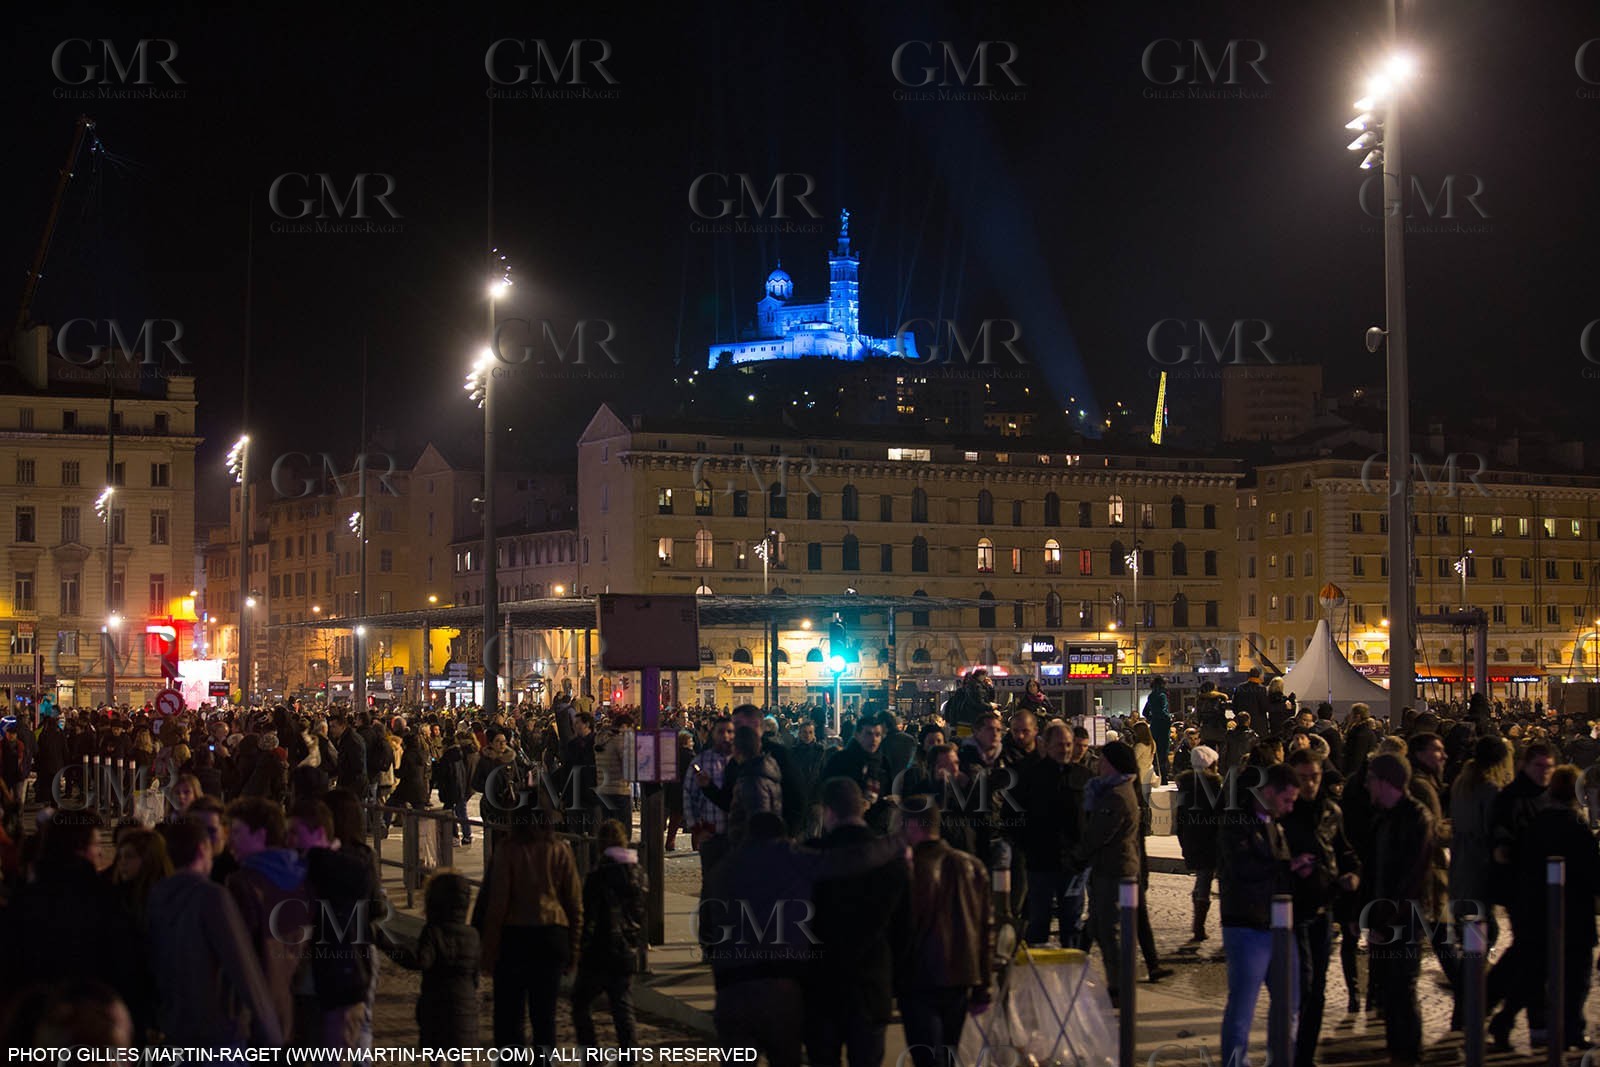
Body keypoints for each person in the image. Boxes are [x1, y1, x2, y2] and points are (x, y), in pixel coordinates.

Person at [146, 818, 283, 1048]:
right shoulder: (212, 896)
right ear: (202, 849)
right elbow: (241, 964)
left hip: (176, 1029)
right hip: (218, 1030)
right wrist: (271, 1033)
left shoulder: (158, 896)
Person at [804, 778, 910, 1067]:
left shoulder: (810, 856)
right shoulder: (890, 861)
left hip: (821, 986)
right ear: (861, 809)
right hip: (871, 986)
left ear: (828, 812)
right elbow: (903, 931)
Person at [477, 805, 583, 1054]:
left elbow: (497, 905)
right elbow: (575, 905)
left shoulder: (507, 850)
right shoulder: (561, 851)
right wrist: (574, 949)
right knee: (545, 1016)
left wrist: (489, 950)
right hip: (551, 936)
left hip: (515, 937)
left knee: (508, 1017)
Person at [1217, 762, 1301, 1067]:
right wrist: (1286, 867)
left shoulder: (1274, 824)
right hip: (1246, 924)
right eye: (1286, 800)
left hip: (1278, 924)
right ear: (1268, 792)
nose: (1289, 808)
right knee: (1243, 1006)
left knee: (1289, 1003)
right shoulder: (1236, 822)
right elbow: (1242, 869)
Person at [895, 804, 992, 1067]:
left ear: (912, 826)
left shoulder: (908, 869)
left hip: (919, 977)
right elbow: (984, 931)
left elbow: (900, 928)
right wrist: (983, 986)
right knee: (948, 1054)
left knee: (928, 1056)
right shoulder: (972, 866)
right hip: (960, 976)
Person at [1282, 750, 1359, 1067]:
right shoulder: (1284, 813)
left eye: (1315, 776)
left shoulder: (1331, 811)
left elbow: (1343, 850)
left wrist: (1351, 872)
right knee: (1302, 982)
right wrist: (1290, 866)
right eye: (1304, 777)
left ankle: (1305, 1055)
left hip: (1323, 907)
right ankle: (1289, 1049)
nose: (1311, 783)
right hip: (1292, 910)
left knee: (1317, 989)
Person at [1521, 765, 1600, 1050]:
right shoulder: (1577, 827)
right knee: (1576, 975)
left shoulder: (1537, 823)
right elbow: (1593, 875)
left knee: (1545, 972)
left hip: (1540, 910)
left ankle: (1542, 1026)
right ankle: (1571, 1028)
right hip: (1575, 914)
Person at [1365, 753, 1436, 1067]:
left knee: (1402, 988)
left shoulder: (1415, 817)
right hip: (1384, 917)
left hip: (1404, 919)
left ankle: (1409, 1055)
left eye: (1371, 779)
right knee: (1390, 990)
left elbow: (1412, 875)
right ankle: (1398, 1052)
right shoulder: (1383, 816)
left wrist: (1389, 918)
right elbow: (1374, 870)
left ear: (1384, 782)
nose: (1367, 785)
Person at [1487, 741, 1555, 1048]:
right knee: (1533, 955)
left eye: (1549, 767)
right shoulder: (1512, 798)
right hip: (1522, 889)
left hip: (1547, 888)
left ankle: (1503, 1014)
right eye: (1539, 766)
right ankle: (1528, 1019)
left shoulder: (1550, 797)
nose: (1544, 773)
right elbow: (1502, 841)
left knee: (1533, 957)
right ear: (1525, 765)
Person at [225, 797, 310, 1041]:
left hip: (254, 1015)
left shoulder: (244, 885)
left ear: (260, 835)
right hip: (292, 1014)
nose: (230, 839)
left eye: (237, 832)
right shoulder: (303, 877)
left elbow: (238, 956)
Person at [1070, 740, 1142, 1005]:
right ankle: (1081, 969)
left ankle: (1119, 986)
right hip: (1108, 867)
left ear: (1112, 764)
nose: (1098, 764)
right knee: (1098, 925)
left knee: (1109, 929)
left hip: (1114, 868)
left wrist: (1078, 855)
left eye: (1102, 760)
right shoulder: (1113, 790)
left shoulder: (1116, 795)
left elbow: (1099, 833)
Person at [379, 871, 481, 1050]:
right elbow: (475, 976)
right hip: (465, 1009)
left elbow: (420, 960)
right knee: (462, 1059)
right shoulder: (472, 935)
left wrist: (386, 944)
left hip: (436, 1008)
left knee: (437, 1056)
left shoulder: (433, 932)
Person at [571, 819, 645, 1049]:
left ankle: (592, 1055)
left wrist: (579, 947)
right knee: (622, 1006)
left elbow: (587, 915)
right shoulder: (640, 875)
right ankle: (629, 1056)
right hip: (626, 949)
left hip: (599, 950)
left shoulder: (598, 876)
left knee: (580, 1004)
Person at [1019, 721, 1091, 947]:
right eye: (1060, 744)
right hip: (1041, 862)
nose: (1066, 749)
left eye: (1068, 744)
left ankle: (1071, 974)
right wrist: (1028, 847)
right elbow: (1016, 816)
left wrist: (1084, 851)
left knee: (1071, 922)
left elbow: (1092, 818)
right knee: (1038, 921)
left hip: (1074, 864)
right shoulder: (1031, 776)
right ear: (1046, 745)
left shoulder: (1084, 776)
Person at [1173, 745, 1222, 942]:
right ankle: (1198, 925)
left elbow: (1181, 818)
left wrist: (1183, 840)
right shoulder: (1214, 786)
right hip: (1209, 839)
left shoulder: (1185, 787)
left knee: (1202, 877)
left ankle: (1198, 920)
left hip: (1192, 838)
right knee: (1204, 878)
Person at [1143, 676, 1173, 783]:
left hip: (1154, 726)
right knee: (1163, 752)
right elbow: (1164, 711)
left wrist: (1152, 719)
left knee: (1155, 752)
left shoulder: (1151, 696)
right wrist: (1169, 718)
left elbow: (1145, 712)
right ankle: (1164, 777)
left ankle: (1156, 775)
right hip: (1163, 726)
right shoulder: (1162, 696)